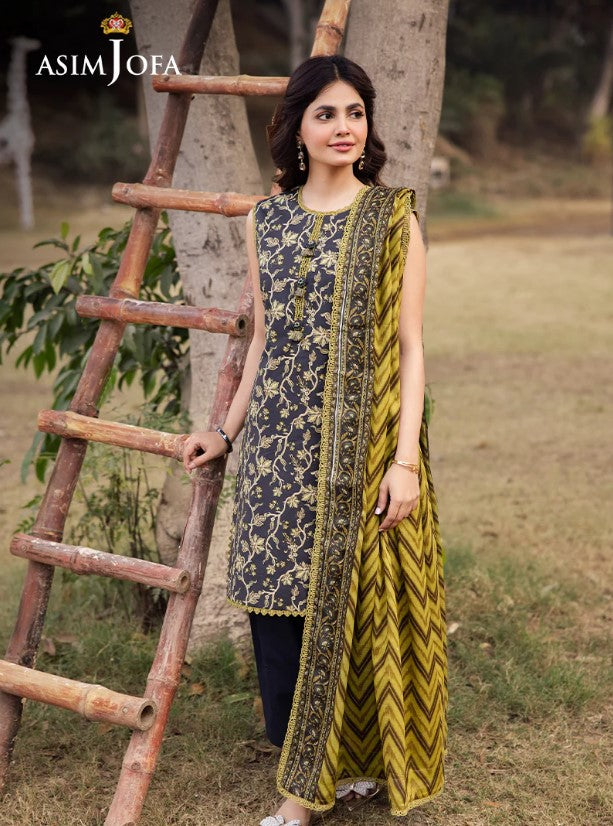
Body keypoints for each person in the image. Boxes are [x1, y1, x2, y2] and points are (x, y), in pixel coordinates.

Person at [183, 55, 448, 826]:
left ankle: (309, 795)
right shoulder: (265, 220)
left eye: (354, 113)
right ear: (296, 127)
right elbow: (264, 340)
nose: (343, 127)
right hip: (276, 450)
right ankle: (309, 768)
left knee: (355, 606)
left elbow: (410, 348)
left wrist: (404, 464)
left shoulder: (392, 216)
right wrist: (224, 430)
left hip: (360, 451)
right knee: (280, 610)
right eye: (326, 113)